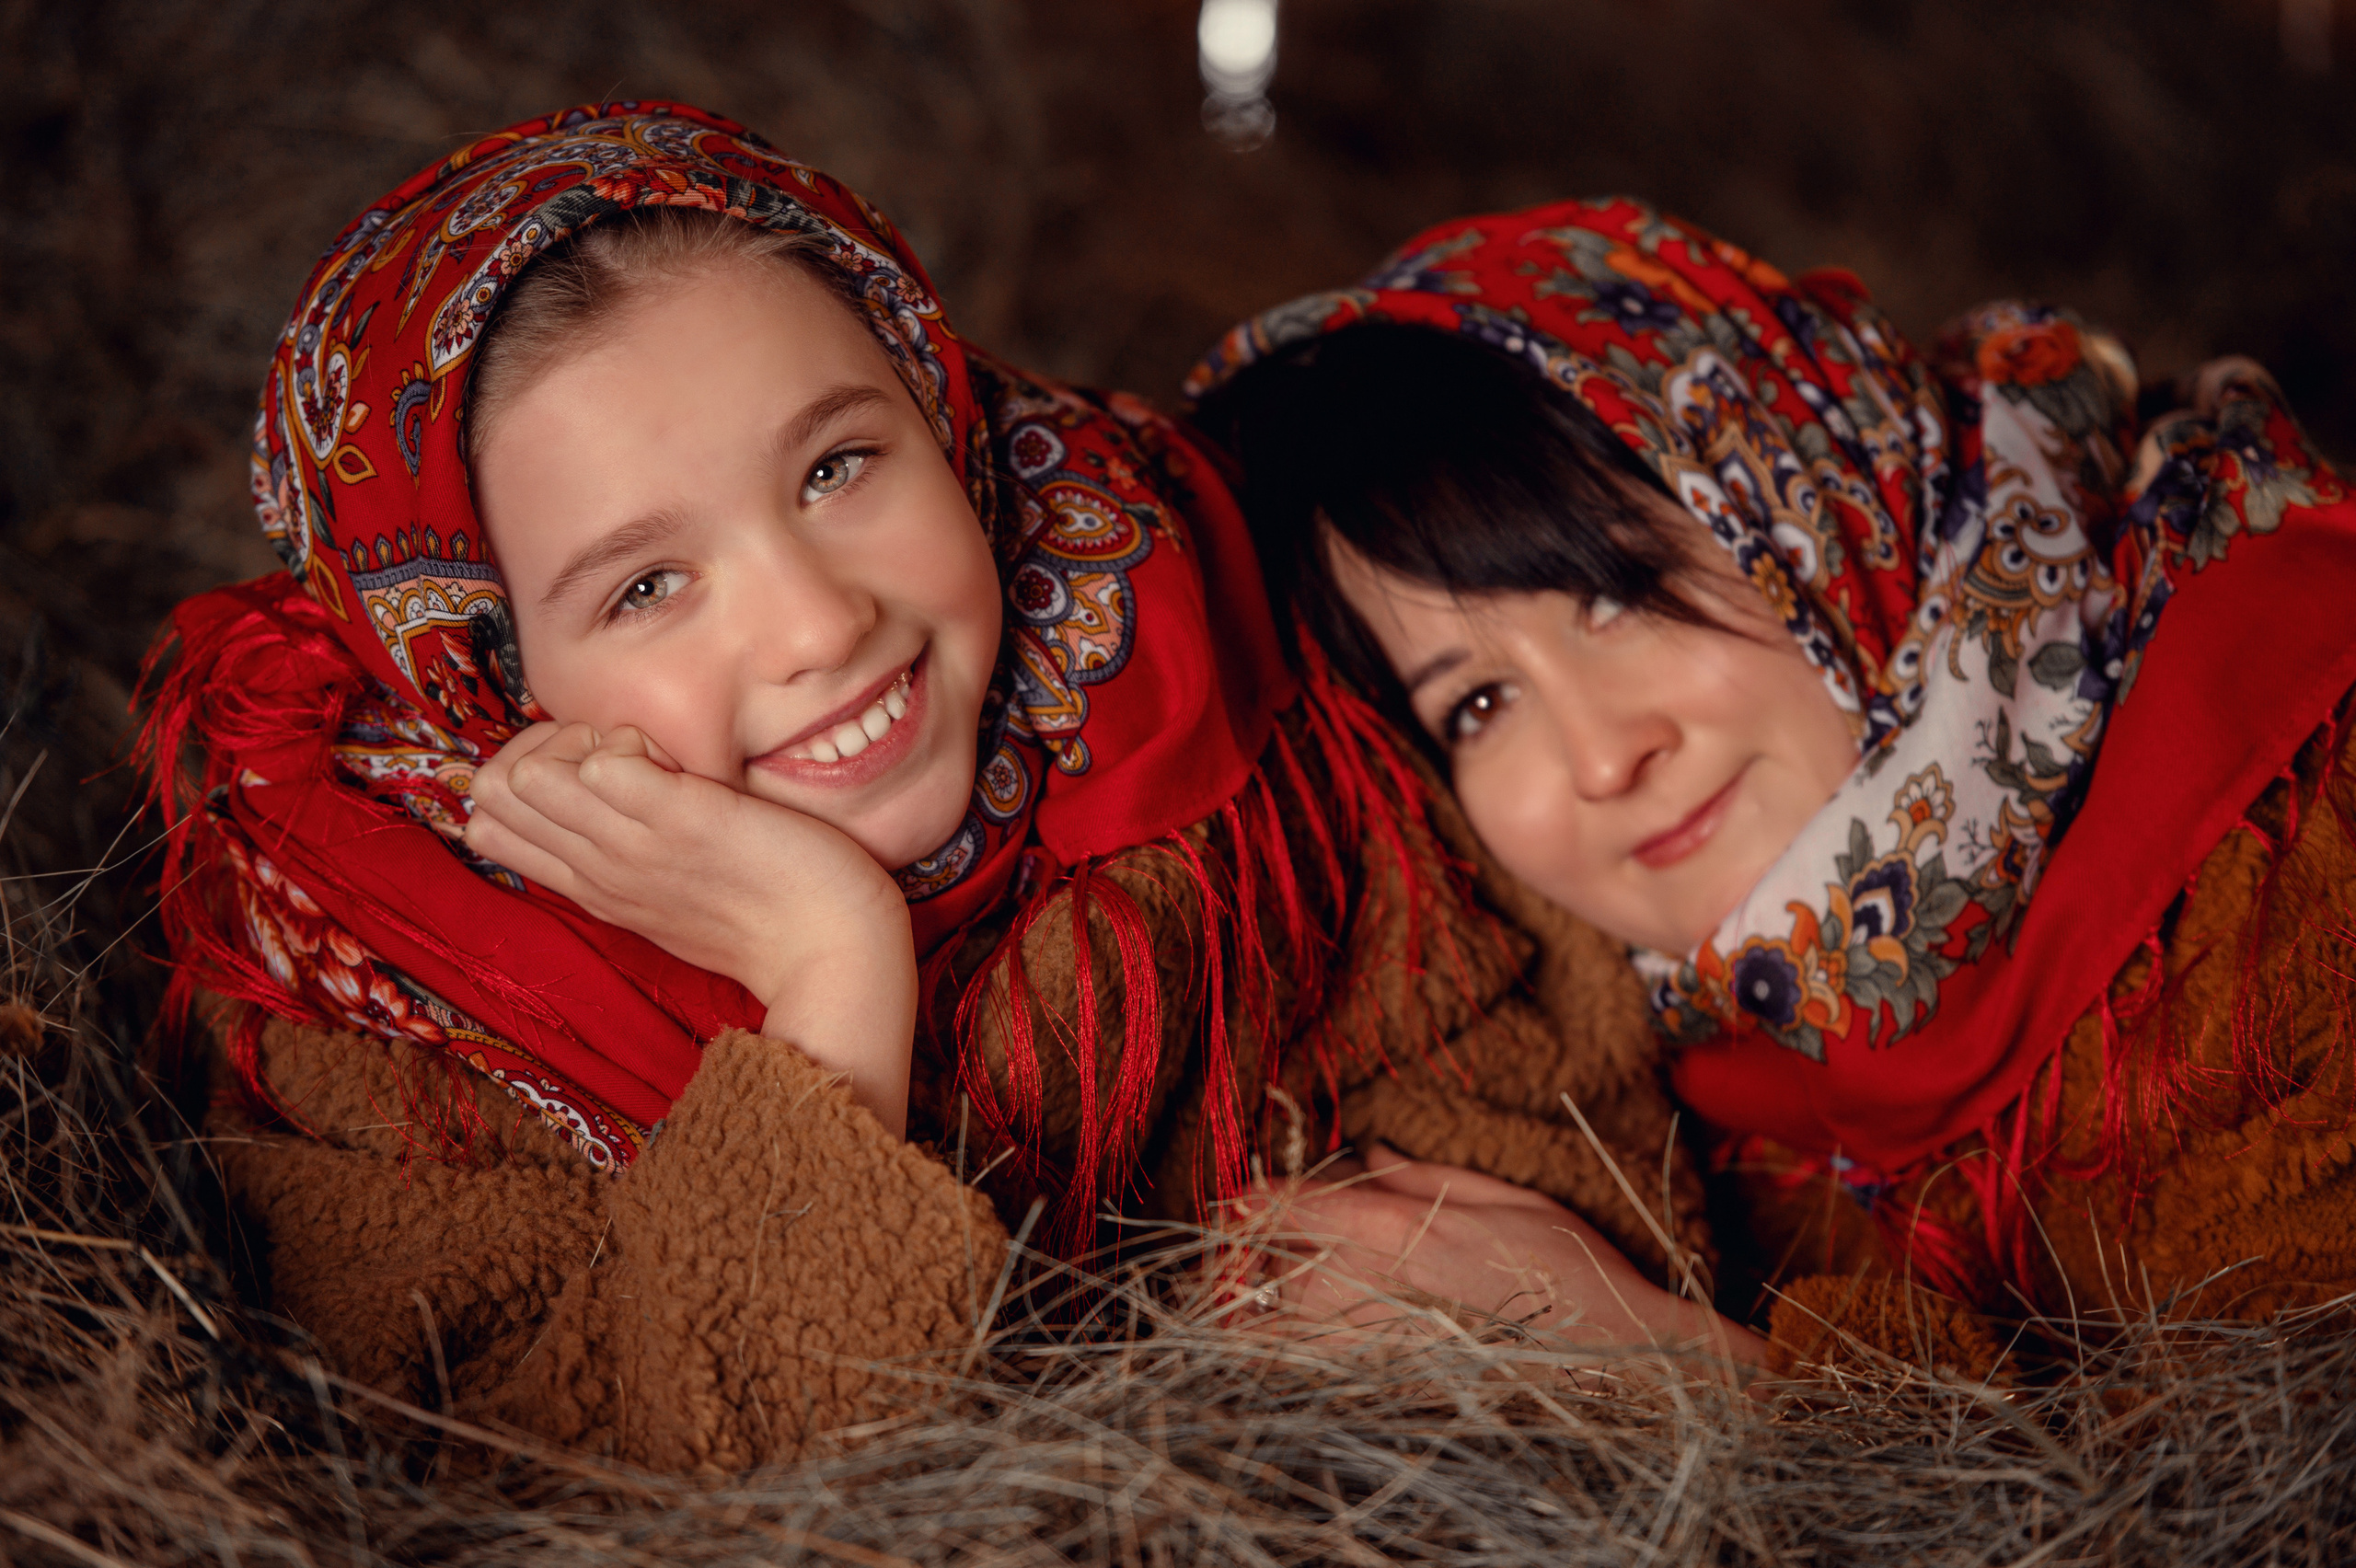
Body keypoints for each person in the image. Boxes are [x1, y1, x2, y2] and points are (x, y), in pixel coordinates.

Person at [137, 107, 1716, 1470]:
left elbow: (1544, 1144)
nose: (822, 624)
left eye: (838, 467)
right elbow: (616, 1488)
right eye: (647, 587)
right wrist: (831, 973)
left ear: (944, 419)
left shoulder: (1187, 659)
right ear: (486, 675)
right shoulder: (383, 989)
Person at [1191, 195, 2356, 1375]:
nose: (1603, 757)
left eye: (1618, 592)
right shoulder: (1640, 1069)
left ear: (1816, 498)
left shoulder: (2297, 809)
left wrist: (1642, 1356)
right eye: (1476, 706)